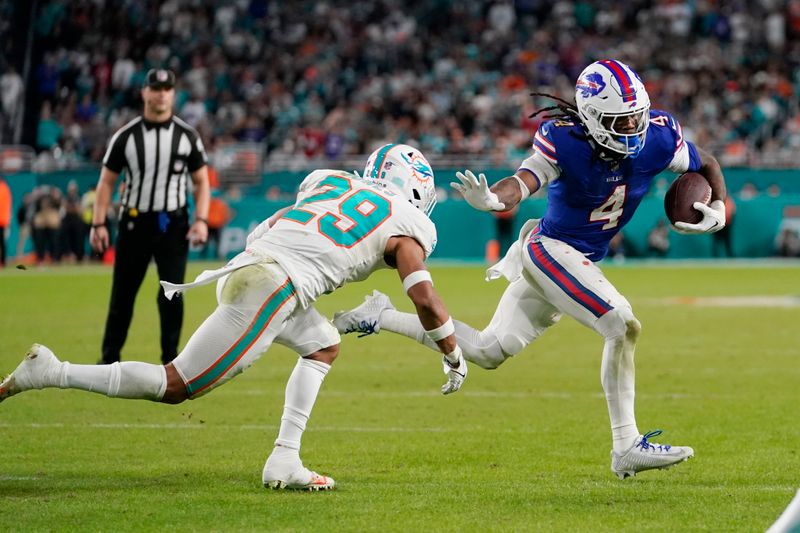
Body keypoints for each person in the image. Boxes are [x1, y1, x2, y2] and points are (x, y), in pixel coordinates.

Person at [334, 60, 729, 479]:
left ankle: (379, 315)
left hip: (578, 262)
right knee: (622, 325)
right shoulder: (566, 141)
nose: (633, 128)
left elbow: (709, 165)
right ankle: (626, 444)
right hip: (549, 250)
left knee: (488, 351)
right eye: (620, 120)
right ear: (593, 119)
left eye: (637, 115)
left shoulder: (658, 135)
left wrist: (718, 205)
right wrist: (495, 200)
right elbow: (522, 182)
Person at [0, 144, 468, 491]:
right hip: (275, 285)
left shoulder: (332, 181)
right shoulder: (408, 225)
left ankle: (285, 458)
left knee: (323, 342)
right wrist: (451, 352)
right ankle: (50, 372)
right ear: (415, 188)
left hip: (255, 268)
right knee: (177, 384)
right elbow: (425, 300)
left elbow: (280, 219)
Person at [89, 69, 210, 365]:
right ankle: (108, 361)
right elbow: (106, 181)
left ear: (173, 93)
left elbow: (201, 181)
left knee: (171, 294)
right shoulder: (126, 137)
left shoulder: (187, 136)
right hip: (135, 223)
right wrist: (98, 222)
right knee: (122, 296)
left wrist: (201, 219)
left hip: (172, 224)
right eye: (156, 88)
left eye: (167, 88)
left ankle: (172, 361)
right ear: (144, 93)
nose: (161, 94)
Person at [0, 175, 10, 267]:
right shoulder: (5, 188)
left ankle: (3, 261)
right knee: (2, 242)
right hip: (3, 220)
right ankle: (3, 261)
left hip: (2, 220)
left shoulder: (3, 188)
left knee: (2, 242)